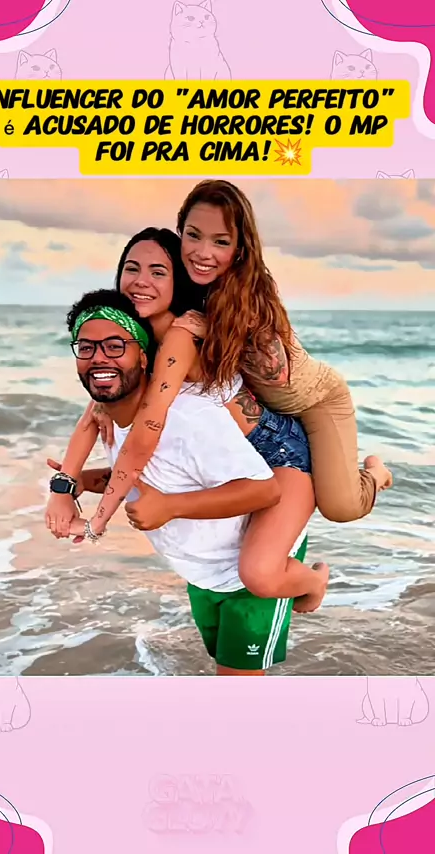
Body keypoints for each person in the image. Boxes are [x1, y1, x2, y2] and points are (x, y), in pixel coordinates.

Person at [46, 229, 329, 605]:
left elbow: (144, 435)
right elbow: (93, 416)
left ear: (179, 282)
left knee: (260, 573)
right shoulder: (134, 340)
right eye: (132, 268)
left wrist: (98, 522)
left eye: (158, 272)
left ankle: (315, 582)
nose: (141, 280)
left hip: (277, 452)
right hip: (230, 459)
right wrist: (66, 486)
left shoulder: (180, 334)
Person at [49, 287, 322, 676]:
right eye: (87, 347)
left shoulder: (187, 418)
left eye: (115, 346)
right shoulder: (111, 419)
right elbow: (161, 476)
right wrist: (79, 483)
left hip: (246, 577)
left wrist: (170, 508)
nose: (99, 358)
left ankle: (313, 582)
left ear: (144, 356)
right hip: (201, 576)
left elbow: (264, 489)